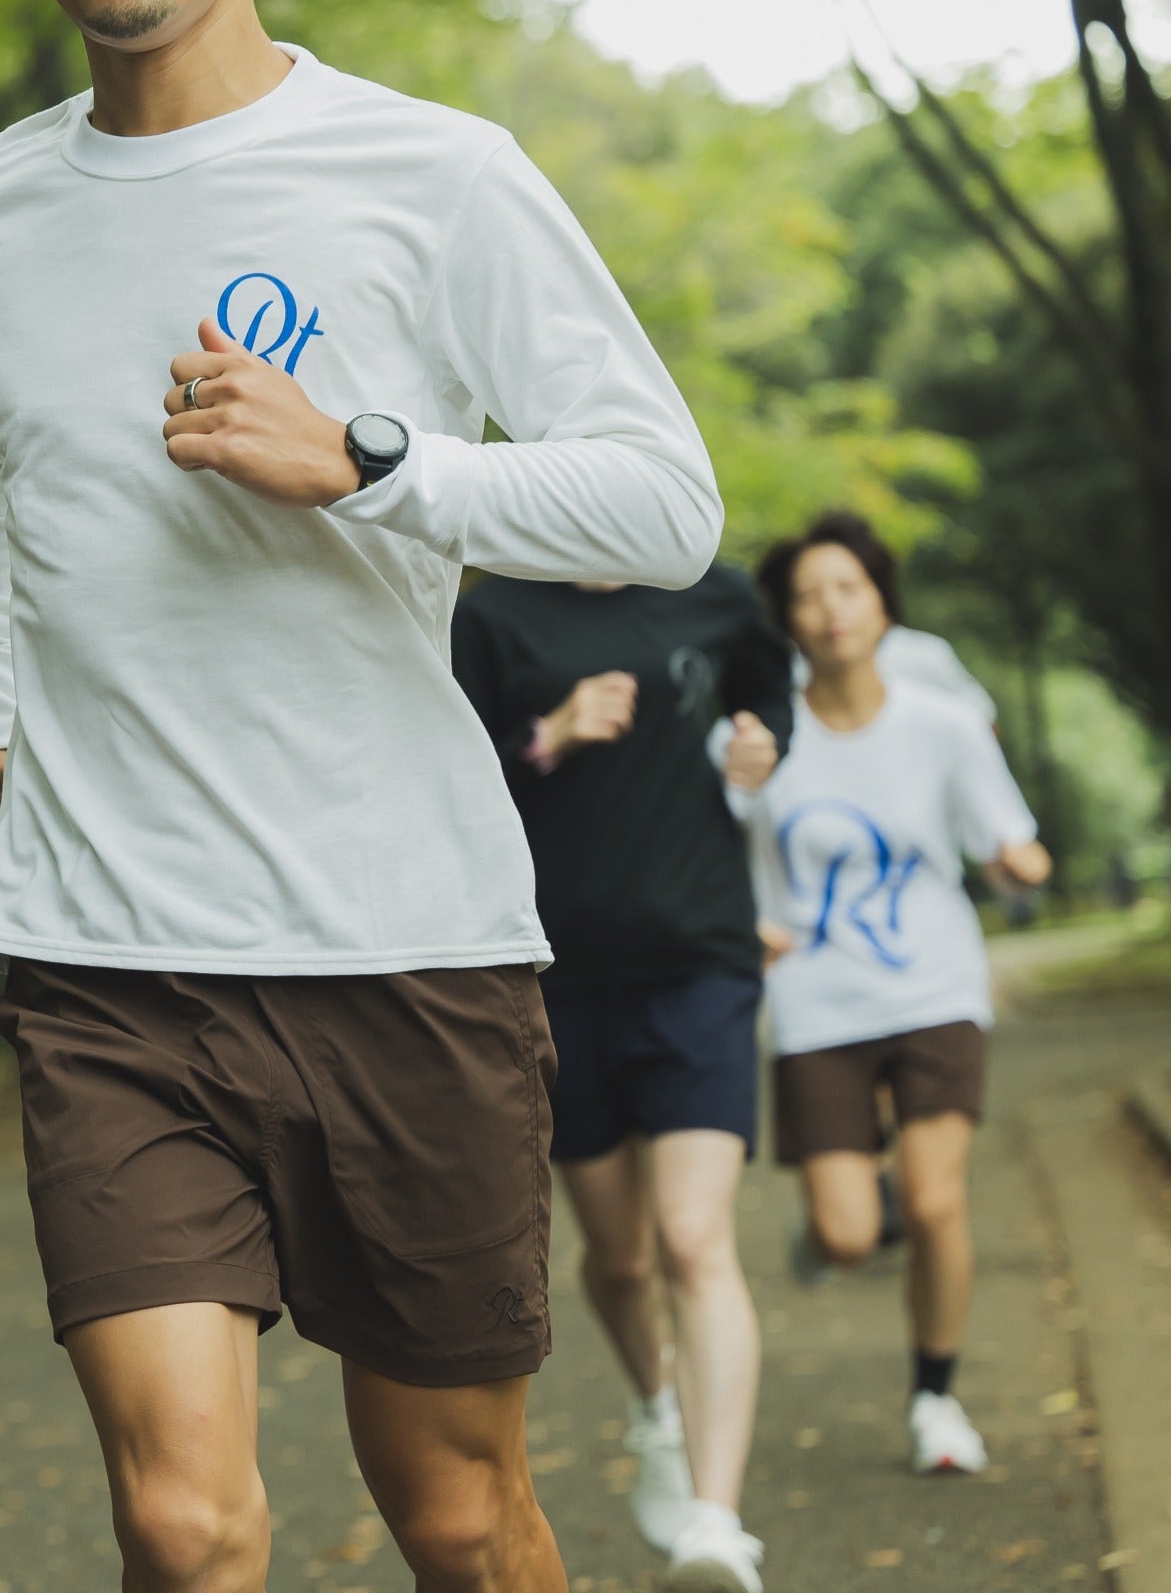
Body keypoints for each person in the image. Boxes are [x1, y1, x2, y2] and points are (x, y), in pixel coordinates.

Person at [0, 0, 724, 1593]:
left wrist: (370, 460)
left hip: (404, 945)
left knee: (456, 1515)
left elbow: (661, 504)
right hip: (104, 954)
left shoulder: (434, 174)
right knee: (186, 1527)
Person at [453, 567, 794, 1593]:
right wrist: (546, 735)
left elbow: (767, 686)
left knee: (694, 1236)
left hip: (700, 958)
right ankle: (657, 1407)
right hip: (555, 974)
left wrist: (762, 738)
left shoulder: (712, 592)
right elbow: (443, 778)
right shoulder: (491, 611)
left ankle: (715, 1521)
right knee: (619, 1250)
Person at [742, 512, 1050, 1477]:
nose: (831, 611)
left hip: (935, 986)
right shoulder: (759, 738)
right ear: (787, 619)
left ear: (881, 603)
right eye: (809, 595)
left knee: (932, 1201)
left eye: (849, 589)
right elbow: (726, 859)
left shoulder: (944, 724)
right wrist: (746, 926)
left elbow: (1012, 846)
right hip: (816, 1002)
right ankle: (833, 1225)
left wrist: (1020, 863)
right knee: (846, 1234)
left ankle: (935, 1401)